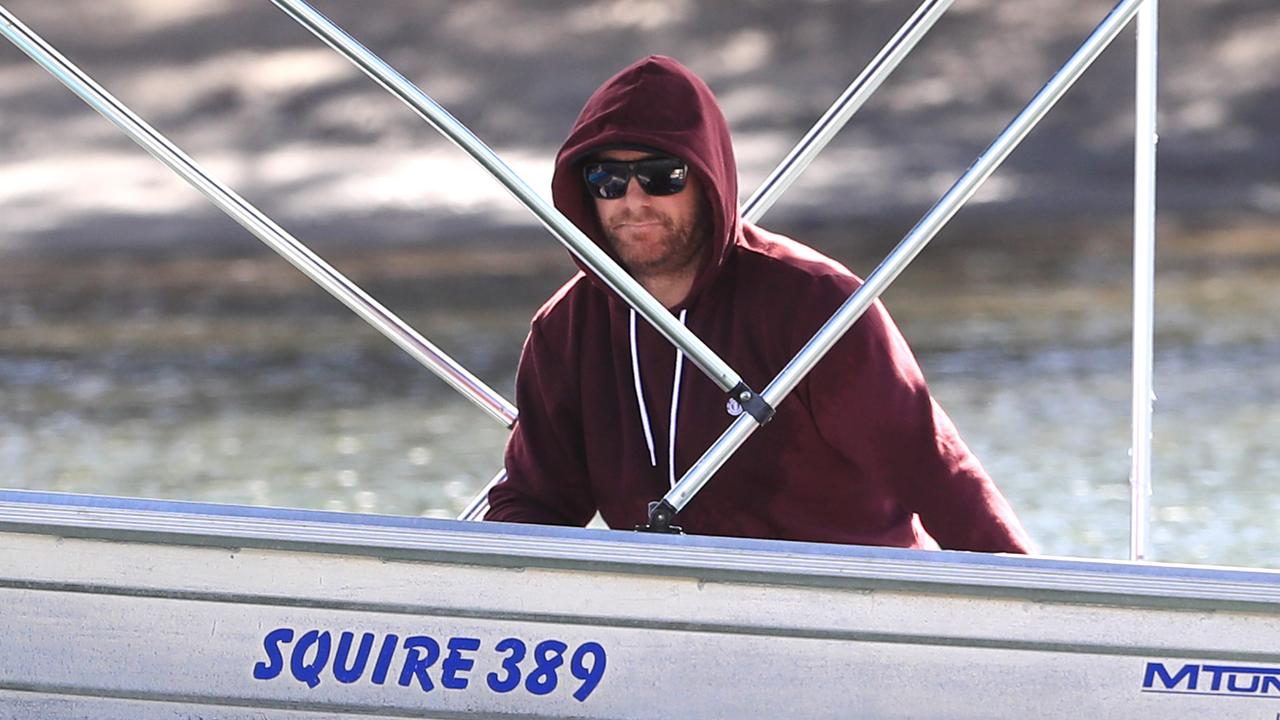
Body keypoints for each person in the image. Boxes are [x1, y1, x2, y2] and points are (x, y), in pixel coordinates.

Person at [485, 55, 1033, 553]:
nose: (634, 202)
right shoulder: (566, 328)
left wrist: (1036, 608)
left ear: (706, 179)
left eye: (660, 176)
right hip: (666, 620)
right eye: (607, 179)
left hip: (849, 610)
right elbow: (537, 501)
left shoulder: (816, 306)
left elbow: (937, 474)